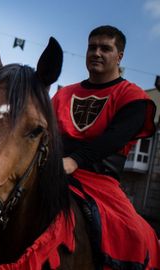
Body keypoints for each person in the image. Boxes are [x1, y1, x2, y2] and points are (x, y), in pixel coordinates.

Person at [52, 25, 159, 269]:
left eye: (105, 48)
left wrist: (75, 160)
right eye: (92, 47)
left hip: (101, 180)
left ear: (119, 56)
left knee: (134, 235)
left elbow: (114, 138)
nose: (97, 53)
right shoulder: (63, 94)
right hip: (54, 170)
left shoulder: (133, 96)